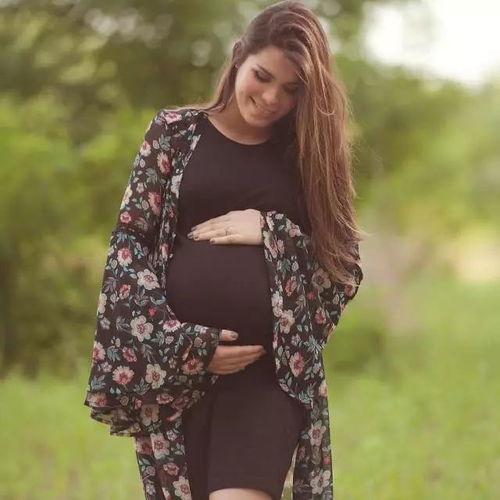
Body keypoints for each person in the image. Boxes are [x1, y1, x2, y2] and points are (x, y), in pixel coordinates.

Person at [83, 1, 364, 499]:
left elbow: (342, 270)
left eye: (292, 90)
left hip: (267, 378)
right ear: (238, 57)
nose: (272, 98)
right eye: (262, 76)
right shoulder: (174, 134)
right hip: (177, 377)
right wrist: (187, 347)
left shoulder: (309, 155)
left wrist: (272, 231)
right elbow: (130, 247)